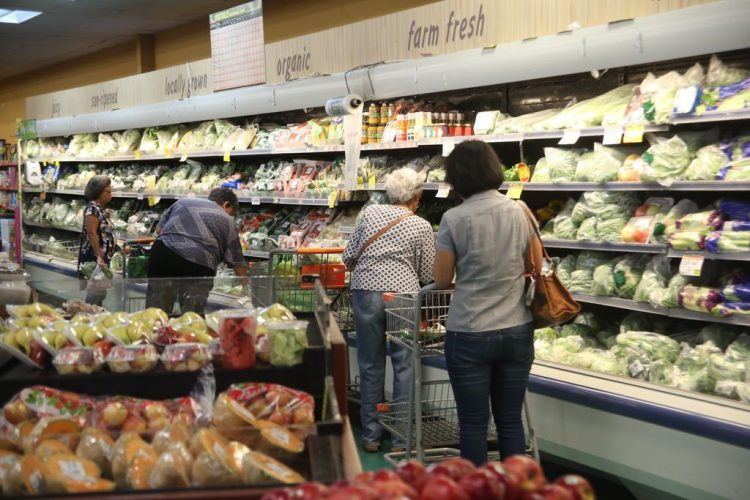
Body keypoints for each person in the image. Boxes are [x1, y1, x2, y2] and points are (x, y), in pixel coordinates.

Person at [432, 140, 535, 465]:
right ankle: (518, 487)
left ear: (456, 177)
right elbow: (535, 266)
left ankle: (477, 489)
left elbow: (443, 277)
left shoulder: (453, 218)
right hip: (517, 327)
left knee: (474, 424)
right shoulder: (519, 210)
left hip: (470, 330)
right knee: (510, 420)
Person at [342, 167, 435, 453]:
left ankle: (370, 436)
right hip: (402, 297)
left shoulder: (369, 214)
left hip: (366, 293)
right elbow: (428, 273)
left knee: (370, 364)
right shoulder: (421, 225)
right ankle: (400, 438)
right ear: (416, 197)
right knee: (404, 364)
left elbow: (348, 257)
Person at [146, 187, 248, 314]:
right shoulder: (226, 220)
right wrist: (246, 287)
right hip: (197, 262)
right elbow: (237, 261)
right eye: (231, 213)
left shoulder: (183, 202)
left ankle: (153, 330)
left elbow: (159, 230)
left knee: (156, 311)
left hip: (162, 253)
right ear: (226, 204)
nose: (230, 216)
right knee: (191, 315)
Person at [79, 175, 115, 306]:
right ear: (98, 192)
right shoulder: (92, 209)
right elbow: (91, 233)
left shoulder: (100, 209)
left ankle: (94, 316)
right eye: (108, 192)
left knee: (100, 292)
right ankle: (88, 317)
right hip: (95, 257)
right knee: (95, 292)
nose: (111, 195)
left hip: (102, 257)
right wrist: (99, 256)